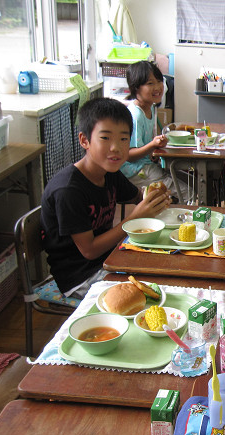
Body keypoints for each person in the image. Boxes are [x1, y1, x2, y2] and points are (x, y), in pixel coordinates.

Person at [41, 98, 170, 298]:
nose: (116, 148)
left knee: (166, 268)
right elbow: (89, 251)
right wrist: (134, 219)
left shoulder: (109, 172)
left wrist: (154, 197)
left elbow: (138, 197)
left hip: (110, 258)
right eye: (105, 138)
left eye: (123, 139)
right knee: (157, 291)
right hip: (80, 276)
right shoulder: (68, 190)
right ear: (85, 140)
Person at [121, 61, 187, 200]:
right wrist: (152, 145)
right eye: (150, 83)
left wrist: (152, 151)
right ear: (136, 87)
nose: (157, 87)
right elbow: (128, 155)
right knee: (187, 193)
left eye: (159, 81)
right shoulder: (136, 115)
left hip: (146, 164)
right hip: (135, 171)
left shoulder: (150, 107)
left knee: (188, 179)